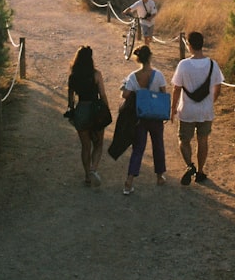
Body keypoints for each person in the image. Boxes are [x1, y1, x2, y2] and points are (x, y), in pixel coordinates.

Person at [171, 31, 225, 185]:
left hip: (187, 110)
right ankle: (200, 171)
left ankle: (190, 166)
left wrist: (173, 109)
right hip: (206, 110)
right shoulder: (213, 64)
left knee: (184, 140)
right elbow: (218, 88)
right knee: (203, 140)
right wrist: (210, 102)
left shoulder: (184, 65)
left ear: (189, 45)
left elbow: (177, 88)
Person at [119, 45, 167, 195]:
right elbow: (163, 94)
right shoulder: (158, 75)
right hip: (155, 117)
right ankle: (160, 176)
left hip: (140, 116)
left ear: (137, 59)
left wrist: (125, 88)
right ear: (150, 57)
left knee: (138, 149)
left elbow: (125, 95)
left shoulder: (133, 76)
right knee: (158, 145)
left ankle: (129, 180)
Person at [67, 45, 112, 187]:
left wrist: (73, 112)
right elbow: (103, 94)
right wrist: (106, 109)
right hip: (95, 110)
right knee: (98, 143)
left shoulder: (73, 77)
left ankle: (87, 176)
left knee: (85, 146)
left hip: (81, 110)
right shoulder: (96, 74)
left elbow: (70, 100)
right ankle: (93, 169)